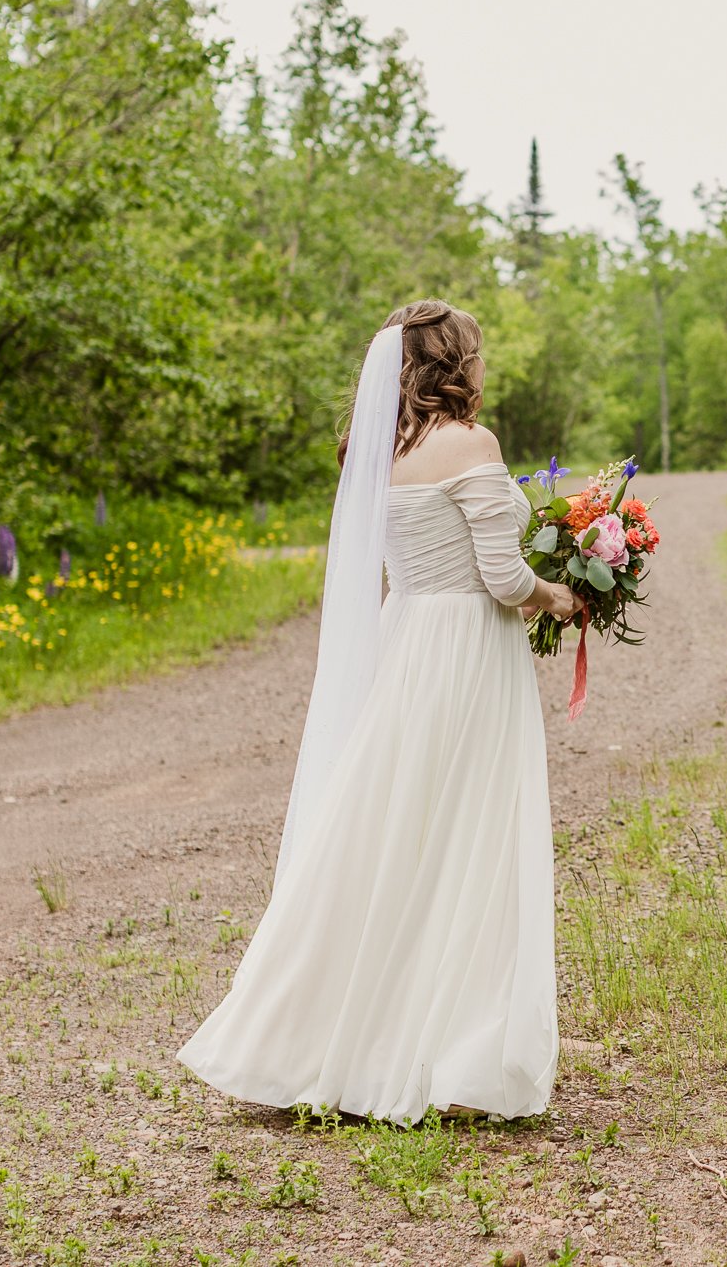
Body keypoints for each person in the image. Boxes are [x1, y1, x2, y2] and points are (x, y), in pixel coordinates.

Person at [178, 299, 581, 1123]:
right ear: (453, 361)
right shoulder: (471, 443)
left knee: (390, 828)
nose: (480, 362)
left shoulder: (377, 449)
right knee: (464, 833)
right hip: (466, 649)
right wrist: (563, 596)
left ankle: (329, 1032)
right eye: (474, 350)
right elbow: (503, 580)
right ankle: (448, 1043)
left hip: (409, 641)